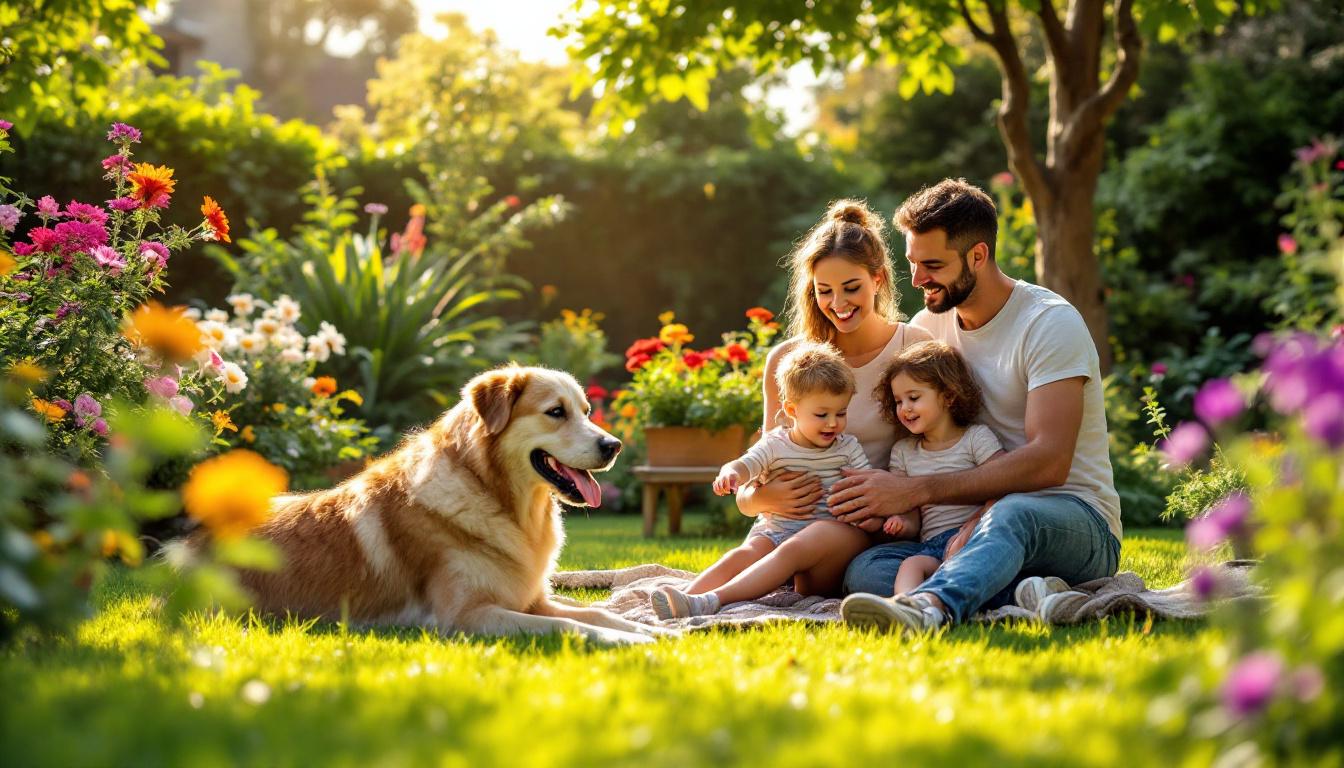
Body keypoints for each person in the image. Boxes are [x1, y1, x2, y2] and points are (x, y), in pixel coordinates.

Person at [833, 178, 1122, 633]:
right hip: (968, 523)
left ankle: (930, 607)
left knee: (1014, 514)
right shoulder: (930, 325)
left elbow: (1050, 463)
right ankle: (1031, 591)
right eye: (912, 262)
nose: (917, 280)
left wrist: (919, 491)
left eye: (932, 264)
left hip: (1068, 518)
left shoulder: (1048, 323)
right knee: (868, 569)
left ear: (978, 256)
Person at [698, 198, 933, 607]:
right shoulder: (790, 362)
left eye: (851, 288)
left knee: (818, 552)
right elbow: (756, 477)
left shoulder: (913, 347)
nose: (838, 303)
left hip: (857, 528)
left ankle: (718, 596)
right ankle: (681, 602)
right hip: (780, 526)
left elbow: (935, 449)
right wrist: (760, 498)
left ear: (878, 279)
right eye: (825, 291)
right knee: (754, 553)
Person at [649, 341, 870, 618]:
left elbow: (866, 484)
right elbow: (746, 464)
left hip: (823, 550)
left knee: (795, 547)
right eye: (821, 414)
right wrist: (730, 473)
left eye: (841, 413)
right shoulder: (776, 444)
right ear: (792, 410)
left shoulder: (847, 448)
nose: (832, 423)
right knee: (748, 551)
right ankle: (686, 598)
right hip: (778, 531)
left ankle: (713, 600)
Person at [867, 340, 1005, 601]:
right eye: (898, 401)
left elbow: (1003, 484)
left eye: (914, 398)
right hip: (933, 546)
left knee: (980, 563)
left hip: (977, 536)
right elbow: (912, 515)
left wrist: (973, 525)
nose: (904, 408)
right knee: (910, 565)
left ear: (949, 396)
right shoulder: (903, 452)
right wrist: (902, 524)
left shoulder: (976, 438)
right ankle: (906, 607)